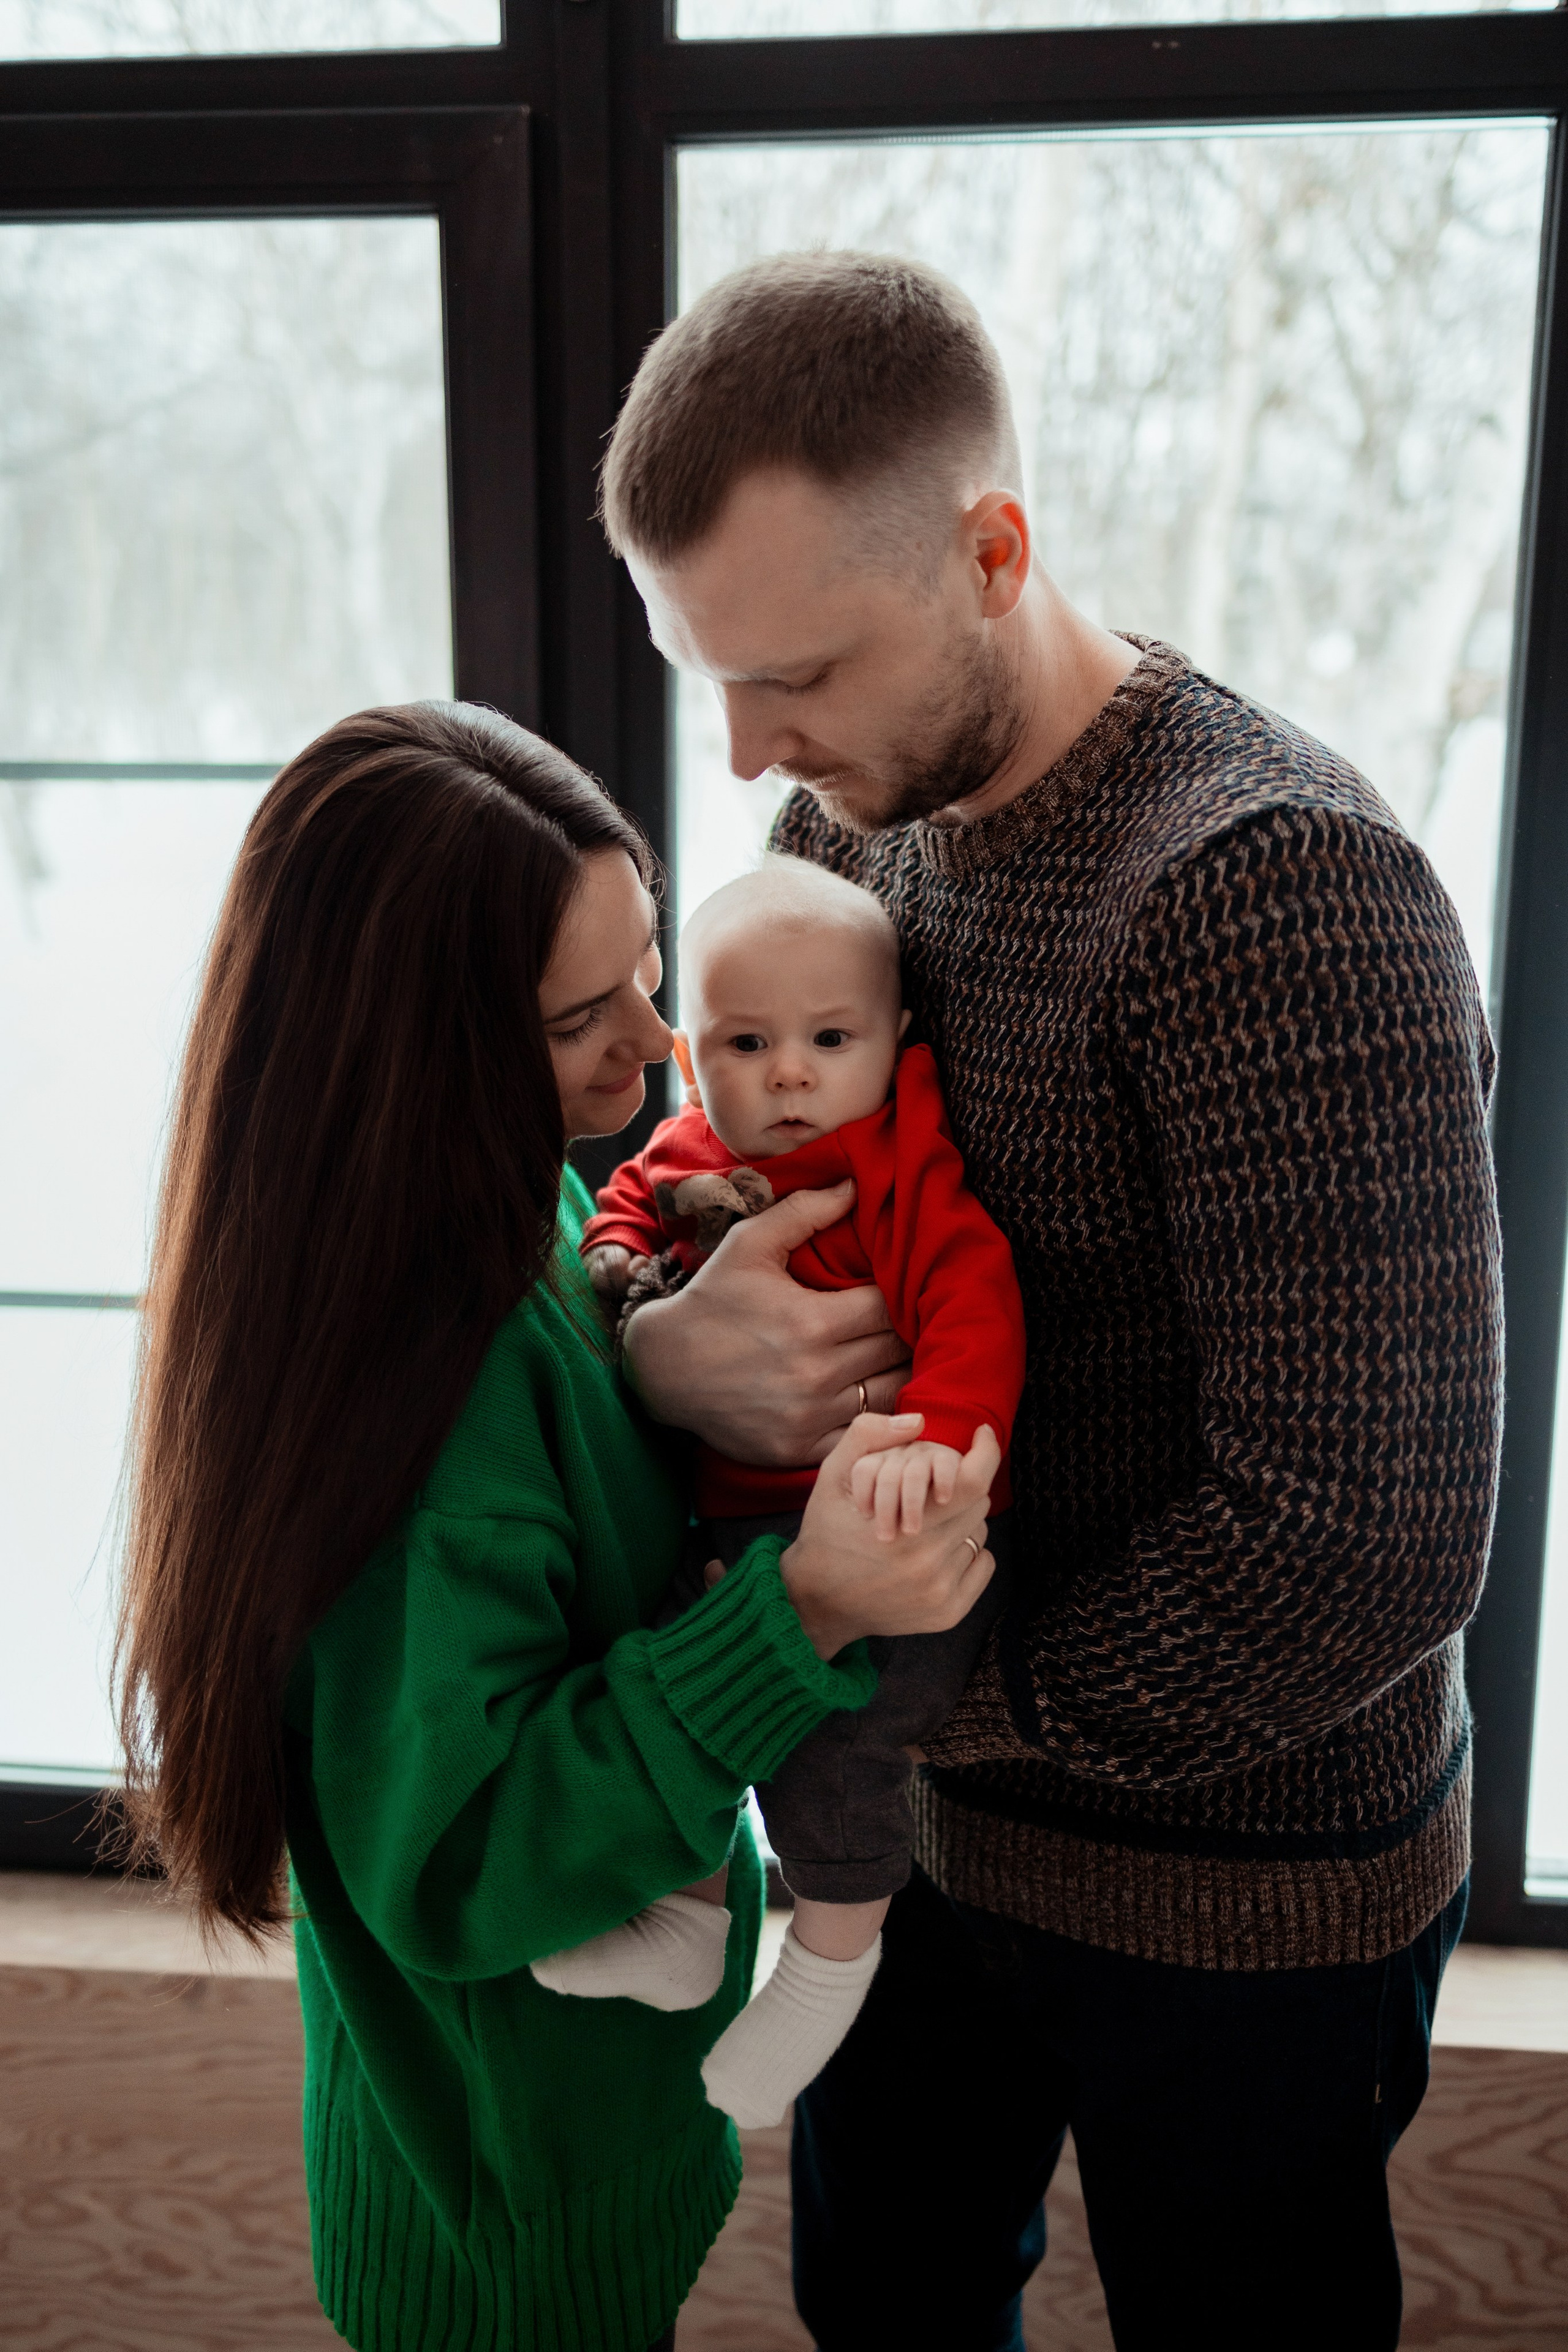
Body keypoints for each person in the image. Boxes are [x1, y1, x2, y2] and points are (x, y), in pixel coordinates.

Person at [596, 251, 1503, 2351]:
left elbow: (1365, 1545)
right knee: (885, 2311)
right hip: (907, 1849)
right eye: (711, 677)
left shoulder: (1274, 892)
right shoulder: (854, 823)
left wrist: (869, 1670)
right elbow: (711, 1195)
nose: (745, 758)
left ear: (996, 551)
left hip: (1242, 1894)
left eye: (797, 674)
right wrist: (663, 1346)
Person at [110, 699, 998, 2352]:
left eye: (653, 966)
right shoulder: (414, 1393)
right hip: (505, 2228)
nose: (662, 1043)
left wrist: (659, 1357)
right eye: (583, 1013)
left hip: (563, 2165)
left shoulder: (518, 1192)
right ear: (415, 1049)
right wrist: (798, 1612)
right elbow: (462, 1856)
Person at [529, 854, 1025, 2131]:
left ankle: (829, 1964)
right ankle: (689, 1918)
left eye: (827, 1039)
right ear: (695, 1053)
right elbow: (625, 1204)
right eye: (747, 1042)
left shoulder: (898, 1166)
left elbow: (972, 1303)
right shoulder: (698, 1148)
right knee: (682, 1691)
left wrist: (948, 1440)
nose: (790, 1074)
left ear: (892, 1039)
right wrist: (622, 1266)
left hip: (886, 1533)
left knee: (837, 1750)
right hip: (730, 1524)